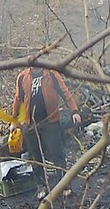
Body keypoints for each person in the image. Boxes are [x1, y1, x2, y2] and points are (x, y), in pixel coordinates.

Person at [11, 66, 81, 200]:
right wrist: (14, 121)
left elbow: (65, 92)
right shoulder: (23, 76)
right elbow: (18, 98)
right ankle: (41, 187)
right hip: (30, 124)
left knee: (57, 153)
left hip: (50, 121)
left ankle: (64, 185)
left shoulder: (52, 74)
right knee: (35, 156)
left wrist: (74, 111)